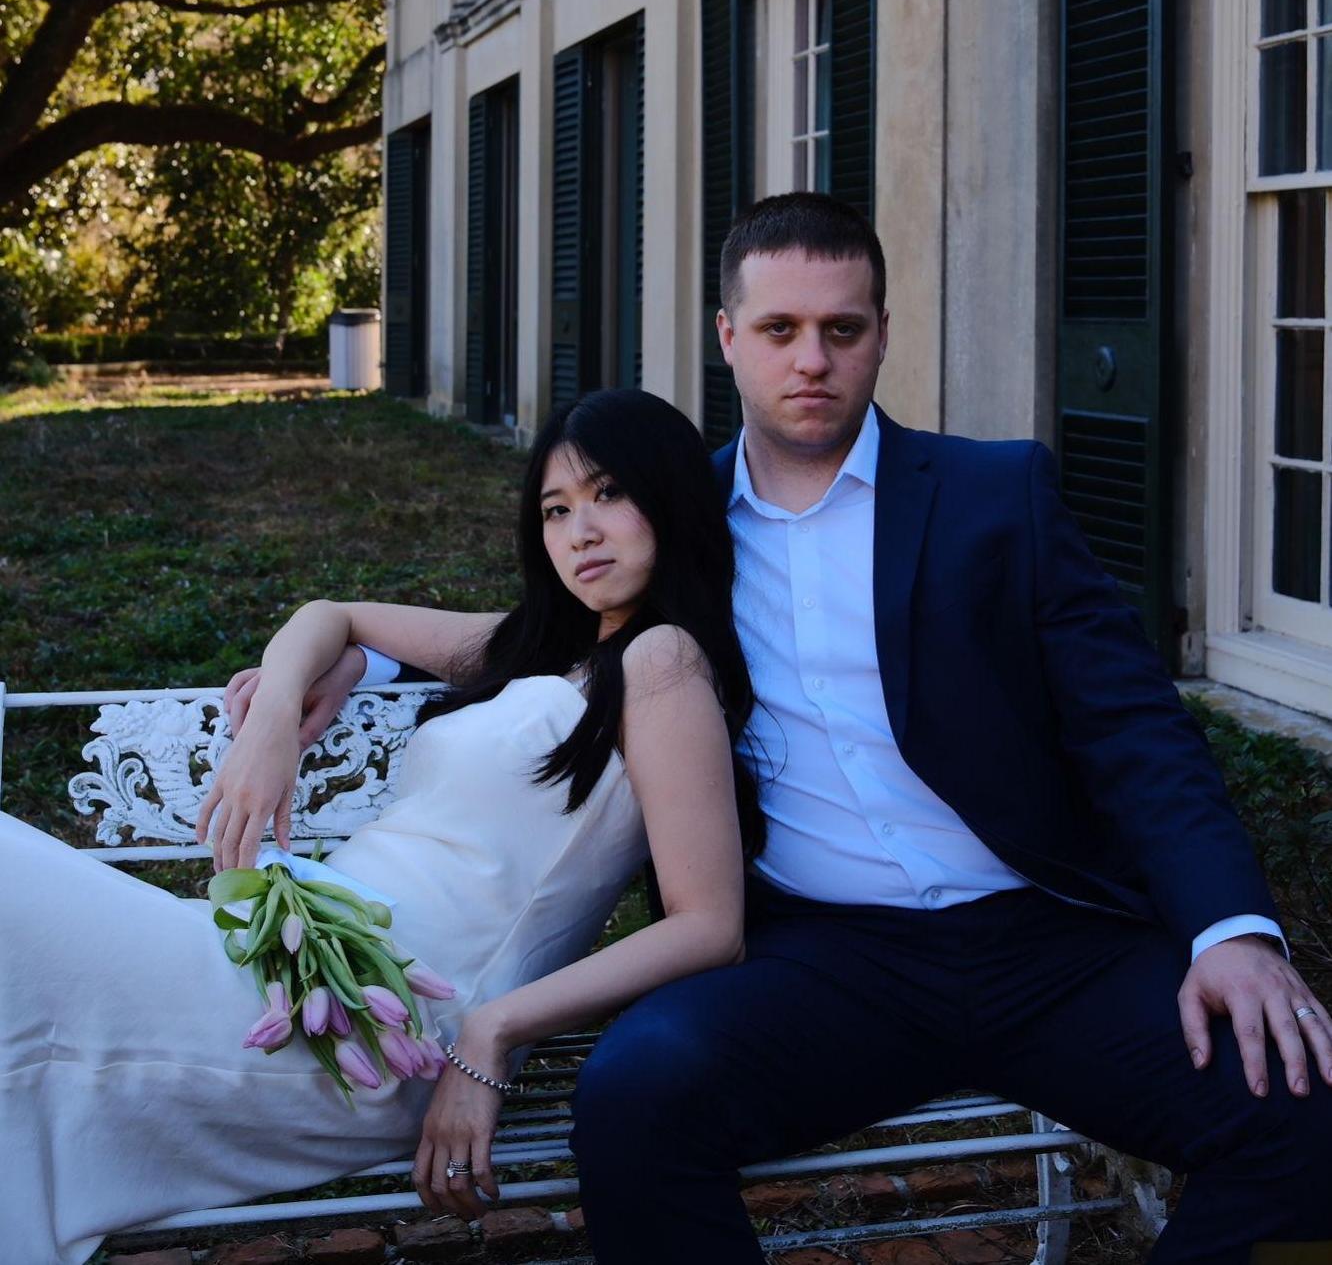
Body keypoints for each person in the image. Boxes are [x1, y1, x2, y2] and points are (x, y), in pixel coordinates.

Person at [353, 195, 1332, 1263]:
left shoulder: (994, 495)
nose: (811, 360)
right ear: (729, 337)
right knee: (636, 1097)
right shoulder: (679, 527)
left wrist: (1232, 932)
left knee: (1306, 1116)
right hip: (824, 962)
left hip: (1047, 944)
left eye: (842, 329)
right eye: (779, 329)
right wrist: (333, 653)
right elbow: (535, 637)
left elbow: (1137, 729)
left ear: (882, 334)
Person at [0, 388, 763, 1265]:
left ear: (669, 496)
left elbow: (711, 926)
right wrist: (276, 716)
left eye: (608, 494)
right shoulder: (548, 647)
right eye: (556, 510)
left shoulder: (662, 661)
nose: (580, 532)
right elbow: (334, 615)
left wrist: (490, 1033)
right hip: (293, 961)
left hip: (379, 1021)